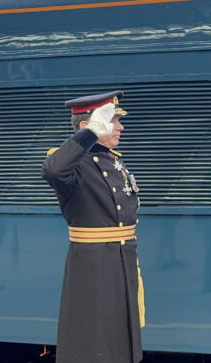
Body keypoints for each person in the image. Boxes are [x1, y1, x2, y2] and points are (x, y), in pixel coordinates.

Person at [41, 91, 145, 363]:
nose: (121, 127)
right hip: (93, 266)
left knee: (120, 337)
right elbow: (54, 171)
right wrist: (88, 135)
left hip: (122, 260)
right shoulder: (73, 164)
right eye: (113, 121)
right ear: (89, 126)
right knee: (93, 339)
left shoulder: (113, 159)